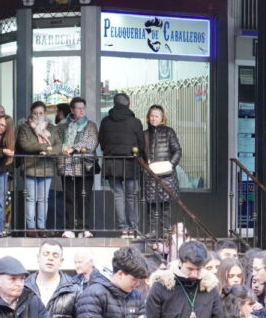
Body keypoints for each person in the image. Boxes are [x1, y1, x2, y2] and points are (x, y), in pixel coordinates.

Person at [74, 247, 151, 318]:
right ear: (120, 274)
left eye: (139, 280)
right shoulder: (93, 293)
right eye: (134, 279)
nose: (137, 283)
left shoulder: (137, 295)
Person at [99, 93, 145, 238]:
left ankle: (123, 228)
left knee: (118, 195)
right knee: (131, 196)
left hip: (111, 163)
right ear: (128, 104)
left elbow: (102, 142)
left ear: (114, 104)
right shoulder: (135, 122)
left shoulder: (105, 121)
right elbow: (142, 144)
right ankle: (134, 228)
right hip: (130, 163)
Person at [17, 101, 62, 237]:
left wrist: (48, 152)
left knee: (43, 199)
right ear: (31, 113)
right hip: (31, 166)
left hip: (47, 167)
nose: (38, 115)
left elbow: (59, 145)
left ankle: (41, 227)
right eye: (35, 113)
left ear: (45, 113)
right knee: (31, 199)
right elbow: (25, 144)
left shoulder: (52, 128)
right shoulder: (25, 127)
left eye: (41, 113)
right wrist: (43, 147)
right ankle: (31, 227)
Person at [57, 97, 99, 239]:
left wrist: (72, 148)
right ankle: (69, 228)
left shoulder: (90, 125)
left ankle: (84, 228)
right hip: (67, 166)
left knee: (84, 198)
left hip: (85, 166)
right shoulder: (63, 125)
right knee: (69, 198)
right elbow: (57, 142)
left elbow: (91, 143)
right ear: (72, 109)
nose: (81, 110)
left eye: (83, 108)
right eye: (78, 108)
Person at [24, 241, 80, 318]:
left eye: (55, 255)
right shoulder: (23, 287)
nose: (50, 258)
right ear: (38, 257)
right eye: (46, 254)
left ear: (61, 261)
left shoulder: (74, 290)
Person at [143, 104, 182, 238]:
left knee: (166, 205)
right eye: (151, 116)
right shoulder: (145, 134)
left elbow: (177, 150)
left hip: (167, 175)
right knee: (151, 204)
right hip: (150, 175)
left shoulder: (169, 132)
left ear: (162, 118)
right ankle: (153, 230)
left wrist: (171, 164)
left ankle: (166, 231)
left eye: (156, 116)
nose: (153, 118)